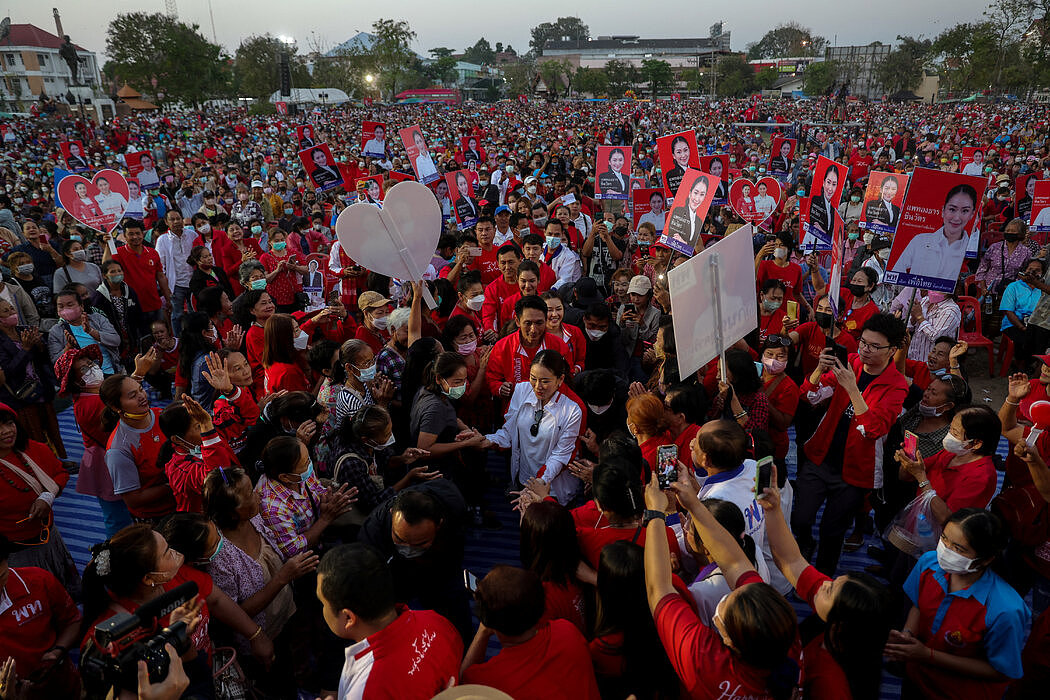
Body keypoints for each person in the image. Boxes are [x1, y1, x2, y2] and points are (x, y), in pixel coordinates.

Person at [644, 468, 799, 698]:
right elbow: (735, 563)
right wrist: (694, 504)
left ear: (730, 642)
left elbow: (659, 590)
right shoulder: (786, 640)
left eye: (723, 611)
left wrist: (655, 513)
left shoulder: (706, 665)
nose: (728, 594)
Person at [80, 523, 275, 697]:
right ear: (149, 578)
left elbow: (215, 599)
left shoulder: (175, 577)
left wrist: (256, 634)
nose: (175, 553)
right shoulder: (114, 638)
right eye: (166, 552)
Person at [758, 476, 894, 700]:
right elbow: (791, 561)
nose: (823, 583)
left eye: (830, 590)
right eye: (833, 581)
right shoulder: (835, 617)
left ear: (842, 625)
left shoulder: (833, 686)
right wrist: (773, 509)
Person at [793, 313, 908, 575]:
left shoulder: (896, 386)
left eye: (874, 346)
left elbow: (875, 428)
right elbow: (809, 396)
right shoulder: (852, 363)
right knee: (800, 518)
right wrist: (819, 371)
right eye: (863, 343)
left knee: (833, 530)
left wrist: (853, 389)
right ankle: (806, 545)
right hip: (821, 456)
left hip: (856, 470)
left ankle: (822, 578)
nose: (865, 351)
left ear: (892, 350)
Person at [886, 509, 1030, 700]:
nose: (945, 550)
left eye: (959, 549)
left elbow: (1000, 671)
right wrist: (907, 635)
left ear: (986, 559)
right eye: (944, 539)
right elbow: (918, 605)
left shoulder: (1006, 610)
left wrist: (927, 655)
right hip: (917, 677)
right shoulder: (928, 564)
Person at [316, 543, 463, 698]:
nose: (322, 610)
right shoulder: (438, 622)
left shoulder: (366, 690)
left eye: (323, 603)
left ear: (348, 618)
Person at [461, 565, 601, 699]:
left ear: (490, 623)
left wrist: (482, 634)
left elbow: (459, 690)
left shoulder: (486, 679)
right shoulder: (568, 631)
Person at [357, 479, 472, 640]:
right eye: (400, 539)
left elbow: (454, 551)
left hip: (440, 564)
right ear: (391, 513)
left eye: (419, 543)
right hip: (395, 571)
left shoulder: (453, 506)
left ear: (439, 525)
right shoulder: (373, 532)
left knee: (456, 616)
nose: (408, 549)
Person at [486, 350, 584, 504]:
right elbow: (509, 432)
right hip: (524, 479)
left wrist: (540, 483)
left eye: (545, 381)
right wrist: (486, 440)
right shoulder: (521, 390)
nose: (538, 387)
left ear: (560, 379)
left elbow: (561, 456)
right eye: (533, 379)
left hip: (551, 488)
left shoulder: (573, 409)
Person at [0, 533, 82, 698]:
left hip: (64, 687)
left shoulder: (38, 580)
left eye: (1, 576)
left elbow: (73, 621)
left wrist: (56, 652)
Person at [255, 435, 357, 558]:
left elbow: (316, 487)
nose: (310, 465)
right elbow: (292, 549)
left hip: (321, 535)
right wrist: (325, 519)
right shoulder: (272, 508)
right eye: (305, 463)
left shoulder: (298, 472)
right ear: (285, 477)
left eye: (308, 459)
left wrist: (327, 499)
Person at [890, 184, 978, 283]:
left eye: (965, 211)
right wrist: (912, 288)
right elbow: (896, 272)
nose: (957, 217)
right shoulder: (920, 241)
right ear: (943, 210)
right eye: (952, 209)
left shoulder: (971, 245)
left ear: (972, 214)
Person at [47, 287, 121, 373]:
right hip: (85, 380)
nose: (65, 309)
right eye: (61, 306)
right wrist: (68, 348)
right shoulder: (56, 331)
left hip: (109, 372)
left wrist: (91, 331)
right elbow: (55, 362)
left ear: (81, 306)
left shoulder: (97, 319)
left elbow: (116, 341)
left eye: (70, 305)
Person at [1000, 257, 1049, 369]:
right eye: (1030, 269)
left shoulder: (1043, 289)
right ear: (1024, 270)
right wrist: (1022, 327)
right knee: (1024, 339)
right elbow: (1008, 311)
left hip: (1036, 323)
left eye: (1037, 270)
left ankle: (1036, 365)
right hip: (1014, 323)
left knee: (1042, 339)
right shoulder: (1013, 287)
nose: (1032, 272)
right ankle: (1021, 364)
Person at [665, 174, 709, 251]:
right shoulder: (678, 211)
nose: (697, 198)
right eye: (695, 193)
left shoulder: (699, 220)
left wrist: (685, 243)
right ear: (690, 193)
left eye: (702, 194)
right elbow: (671, 239)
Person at [809, 163, 842, 237]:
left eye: (834, 184)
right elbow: (813, 224)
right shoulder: (815, 200)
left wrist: (824, 233)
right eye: (828, 182)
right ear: (823, 183)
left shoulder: (834, 210)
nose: (830, 188)